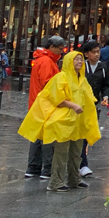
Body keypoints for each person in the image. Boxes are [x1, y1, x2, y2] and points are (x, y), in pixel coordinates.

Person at [18, 50, 101, 193]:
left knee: (77, 151)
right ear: (69, 61)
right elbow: (56, 98)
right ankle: (56, 182)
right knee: (61, 153)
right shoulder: (61, 77)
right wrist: (72, 105)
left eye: (81, 60)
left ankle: (74, 179)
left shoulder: (82, 79)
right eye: (76, 60)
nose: (79, 62)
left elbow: (88, 96)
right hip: (63, 121)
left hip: (78, 122)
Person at [24, 37, 63, 179]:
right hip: (44, 105)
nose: (61, 51)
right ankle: (47, 168)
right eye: (60, 48)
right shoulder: (47, 62)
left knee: (37, 136)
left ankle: (33, 167)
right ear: (52, 47)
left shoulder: (42, 60)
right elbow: (49, 84)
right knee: (47, 137)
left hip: (36, 103)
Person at [79, 39, 109, 177]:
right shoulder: (81, 67)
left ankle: (82, 163)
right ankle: (81, 164)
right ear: (86, 54)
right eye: (94, 52)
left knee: (88, 133)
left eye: (98, 52)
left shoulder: (102, 67)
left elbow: (106, 84)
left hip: (94, 105)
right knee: (79, 134)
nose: (97, 54)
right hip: (79, 105)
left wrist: (105, 96)